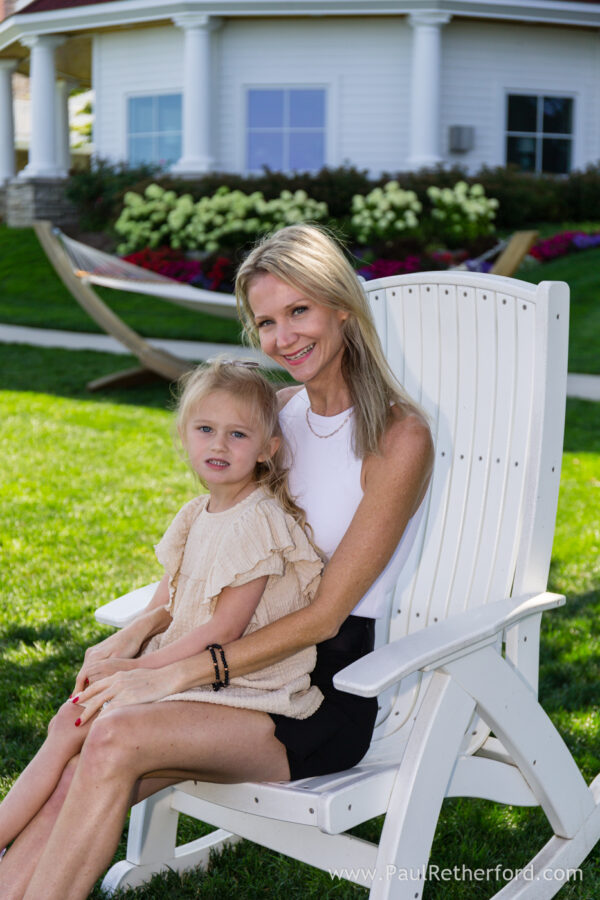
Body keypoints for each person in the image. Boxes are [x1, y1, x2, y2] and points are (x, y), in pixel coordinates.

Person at [0, 223, 433, 900]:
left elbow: (323, 617)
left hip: (316, 696)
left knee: (111, 741)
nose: (284, 337)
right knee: (83, 747)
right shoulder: (278, 416)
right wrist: (131, 638)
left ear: (342, 308)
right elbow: (214, 550)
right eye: (266, 321)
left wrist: (158, 678)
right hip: (230, 664)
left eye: (300, 311)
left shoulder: (397, 437)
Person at [0, 358, 324, 870]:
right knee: (69, 720)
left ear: (267, 451)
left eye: (237, 434)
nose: (218, 445)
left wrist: (136, 671)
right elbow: (165, 605)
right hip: (191, 676)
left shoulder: (258, 521)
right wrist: (120, 645)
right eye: (205, 430)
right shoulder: (196, 514)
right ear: (184, 436)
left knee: (86, 724)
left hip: (243, 689)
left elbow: (225, 629)